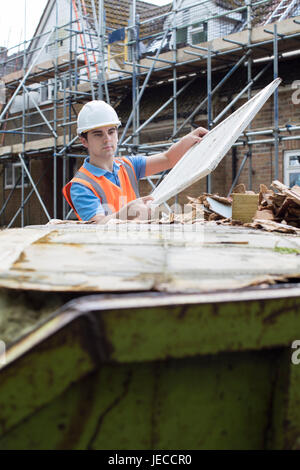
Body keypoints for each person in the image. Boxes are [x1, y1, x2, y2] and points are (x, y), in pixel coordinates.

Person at [63, 100, 208, 224]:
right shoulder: (81, 185)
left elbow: (168, 158)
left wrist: (188, 139)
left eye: (111, 131)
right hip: (105, 253)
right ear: (84, 141)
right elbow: (97, 224)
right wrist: (125, 213)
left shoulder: (128, 165)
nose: (107, 138)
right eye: (98, 134)